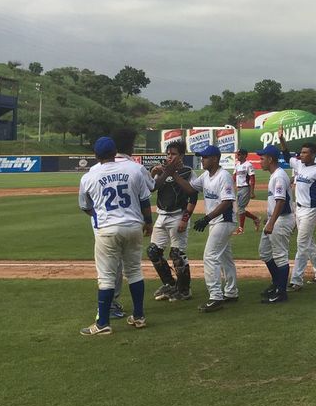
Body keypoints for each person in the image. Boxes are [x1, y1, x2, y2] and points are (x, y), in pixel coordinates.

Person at [78, 136, 152, 335]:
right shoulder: (134, 169)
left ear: (95, 155)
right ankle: (139, 316)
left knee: (106, 277)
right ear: (114, 152)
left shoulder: (89, 176)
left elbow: (85, 207)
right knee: (135, 272)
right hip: (134, 226)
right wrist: (149, 223)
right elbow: (145, 200)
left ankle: (102, 324)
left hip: (107, 229)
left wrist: (99, 215)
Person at [163, 144, 238, 312]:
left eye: (205, 157)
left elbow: (227, 202)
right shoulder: (205, 176)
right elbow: (190, 189)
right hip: (216, 221)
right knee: (225, 258)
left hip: (224, 221)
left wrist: (206, 218)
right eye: (201, 157)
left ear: (215, 159)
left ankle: (216, 297)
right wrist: (173, 173)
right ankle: (231, 292)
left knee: (210, 257)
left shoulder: (223, 176)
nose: (202, 159)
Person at [147, 140, 198, 302]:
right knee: (153, 251)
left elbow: (193, 195)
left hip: (178, 215)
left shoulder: (187, 172)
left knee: (177, 253)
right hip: (162, 215)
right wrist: (153, 173)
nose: (169, 156)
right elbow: (151, 188)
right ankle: (170, 284)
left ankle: (184, 290)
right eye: (168, 154)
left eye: (173, 154)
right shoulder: (162, 170)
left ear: (181, 155)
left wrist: (185, 219)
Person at [287, 142, 316, 290]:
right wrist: (281, 139)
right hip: (298, 210)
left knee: (302, 244)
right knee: (308, 243)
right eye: (301, 152)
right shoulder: (299, 165)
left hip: (310, 211)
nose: (301, 155)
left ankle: (296, 280)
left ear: (313, 155)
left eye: (305, 152)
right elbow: (287, 156)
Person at [255, 144, 294, 304]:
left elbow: (280, 201)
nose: (260, 161)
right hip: (276, 219)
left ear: (270, 159)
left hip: (281, 220)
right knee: (264, 252)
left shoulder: (278, 176)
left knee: (280, 255)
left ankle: (281, 292)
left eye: (262, 158)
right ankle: (277, 283)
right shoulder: (275, 175)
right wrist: (269, 218)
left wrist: (271, 222)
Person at [233, 149, 261, 235]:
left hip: (245, 188)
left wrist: (252, 192)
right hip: (239, 188)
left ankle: (241, 229)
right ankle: (256, 219)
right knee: (240, 209)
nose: (238, 156)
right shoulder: (237, 165)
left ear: (245, 155)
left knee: (241, 208)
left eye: (240, 154)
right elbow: (234, 176)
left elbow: (252, 178)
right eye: (238, 154)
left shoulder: (248, 165)